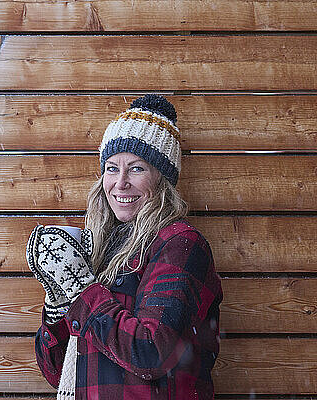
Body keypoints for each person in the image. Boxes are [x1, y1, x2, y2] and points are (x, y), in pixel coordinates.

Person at [26, 94, 223, 399]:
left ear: (162, 179)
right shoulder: (99, 250)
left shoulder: (180, 244)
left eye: (136, 168)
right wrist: (57, 304)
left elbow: (151, 352)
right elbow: (56, 371)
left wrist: (80, 289)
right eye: (112, 168)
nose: (120, 183)